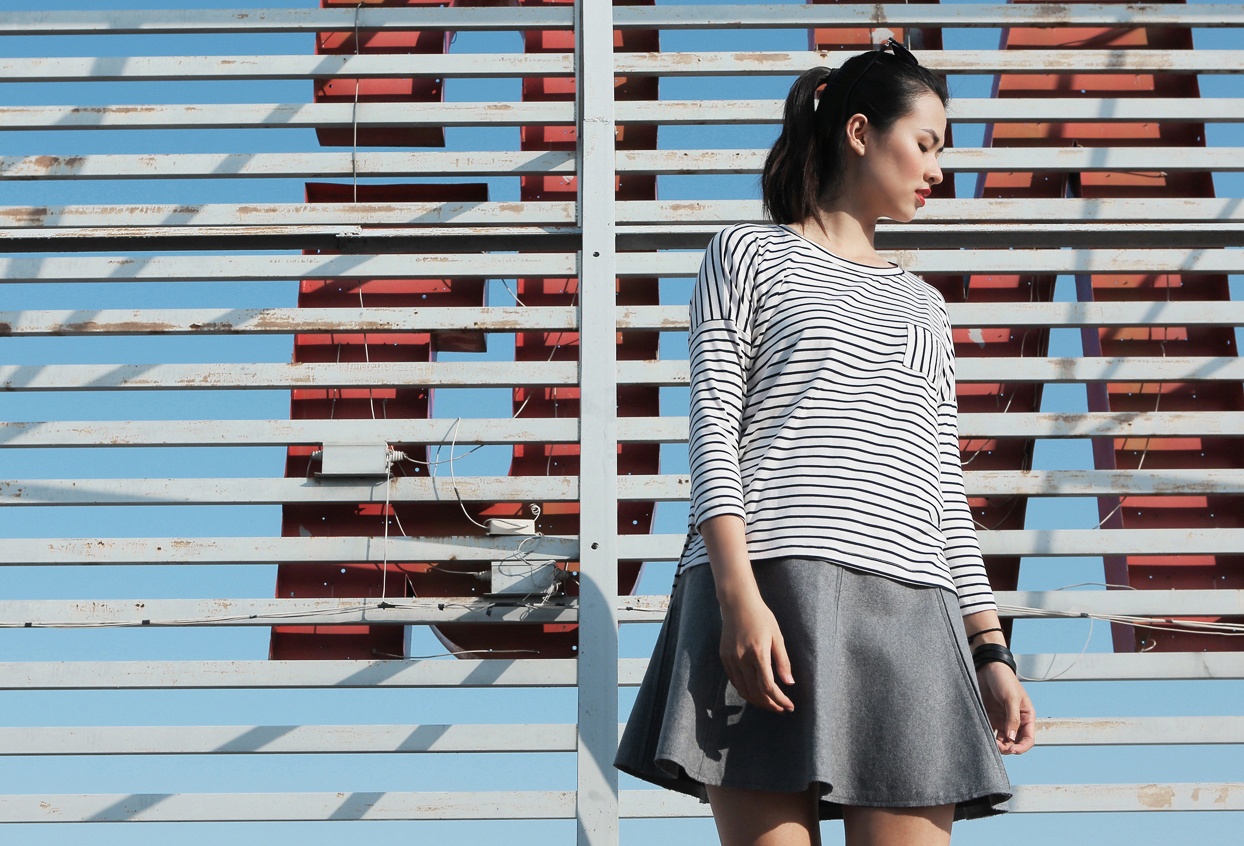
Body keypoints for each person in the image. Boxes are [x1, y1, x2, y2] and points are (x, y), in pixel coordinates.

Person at [615, 38, 1036, 846]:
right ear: (859, 132)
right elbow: (714, 430)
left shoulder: (925, 307)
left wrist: (991, 651)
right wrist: (738, 598)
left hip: (910, 606)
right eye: (925, 144)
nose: (936, 171)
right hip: (770, 585)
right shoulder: (747, 254)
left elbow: (943, 491)